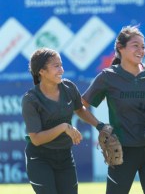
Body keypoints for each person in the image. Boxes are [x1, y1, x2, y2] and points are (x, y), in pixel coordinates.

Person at [82, 25, 145, 194]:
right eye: (135, 45)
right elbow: (81, 107)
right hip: (121, 150)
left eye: (143, 46)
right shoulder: (108, 76)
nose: (141, 50)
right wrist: (100, 126)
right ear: (120, 48)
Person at [22, 48, 103, 194]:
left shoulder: (69, 87)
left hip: (64, 156)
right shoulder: (30, 99)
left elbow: (80, 109)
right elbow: (36, 139)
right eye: (56, 66)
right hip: (39, 158)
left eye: (61, 65)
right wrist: (64, 127)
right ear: (41, 71)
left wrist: (100, 126)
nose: (62, 70)